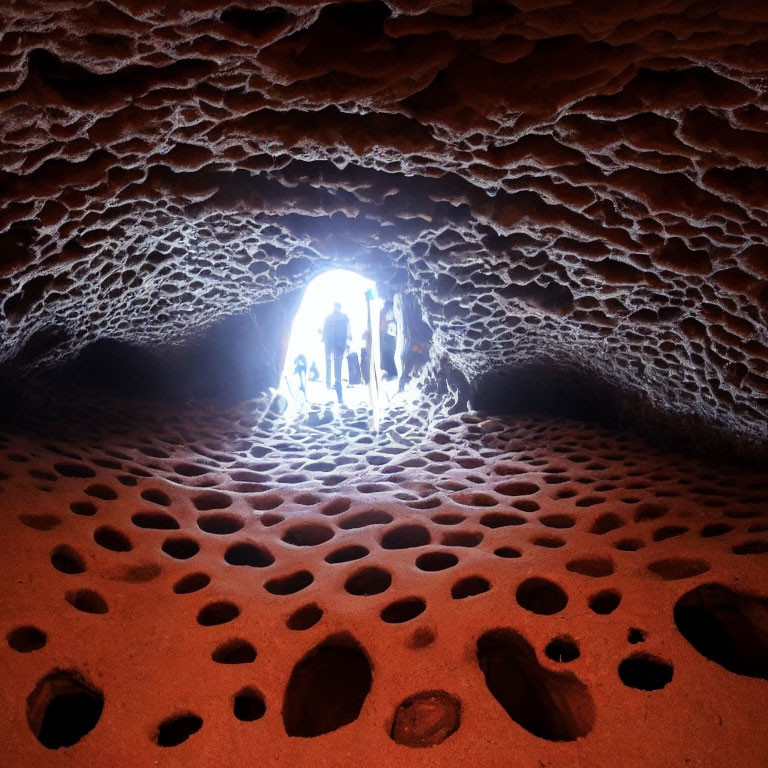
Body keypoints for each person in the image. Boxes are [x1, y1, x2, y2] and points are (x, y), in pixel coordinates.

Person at [322, 302, 350, 403]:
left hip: (335, 343)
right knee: (334, 363)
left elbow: (348, 330)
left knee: (334, 363)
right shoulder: (341, 317)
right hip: (336, 343)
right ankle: (332, 384)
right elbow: (348, 331)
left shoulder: (332, 317)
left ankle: (332, 384)